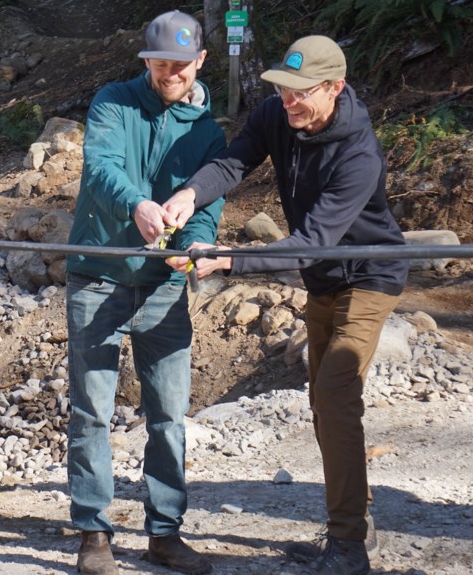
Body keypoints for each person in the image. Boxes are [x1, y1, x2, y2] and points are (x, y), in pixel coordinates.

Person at [166, 35, 409, 575]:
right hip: (324, 280)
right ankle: (354, 526)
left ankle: (347, 547)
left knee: (335, 394)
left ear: (335, 88)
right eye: (283, 90)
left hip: (368, 277)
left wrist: (226, 260)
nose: (289, 101)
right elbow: (233, 164)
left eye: (302, 93)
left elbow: (314, 240)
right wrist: (188, 195)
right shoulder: (279, 115)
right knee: (325, 405)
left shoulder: (358, 154)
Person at [66, 10, 224, 575]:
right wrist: (137, 203)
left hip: (162, 285)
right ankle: (93, 534)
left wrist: (199, 248)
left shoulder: (209, 131)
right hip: (98, 272)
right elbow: (101, 166)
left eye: (180, 66)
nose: (169, 75)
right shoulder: (113, 101)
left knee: (169, 412)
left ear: (200, 61)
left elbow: (208, 205)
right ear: (146, 61)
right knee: (91, 410)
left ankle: (165, 532)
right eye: (160, 65)